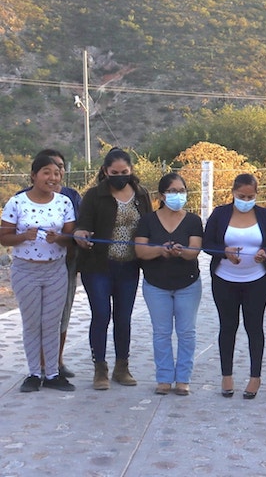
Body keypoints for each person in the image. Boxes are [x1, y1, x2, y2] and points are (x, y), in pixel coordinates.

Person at [74, 148, 153, 390]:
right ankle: (100, 368)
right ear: (105, 172)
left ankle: (122, 367)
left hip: (129, 266)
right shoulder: (94, 196)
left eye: (124, 172)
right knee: (101, 315)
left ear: (131, 171)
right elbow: (82, 225)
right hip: (98, 266)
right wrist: (80, 235)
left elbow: (149, 226)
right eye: (114, 172)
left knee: (123, 317)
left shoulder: (141, 195)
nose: (120, 176)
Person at [1, 153, 76, 392]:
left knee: (52, 323)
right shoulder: (17, 202)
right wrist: (23, 236)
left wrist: (60, 238)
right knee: (32, 323)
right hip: (25, 271)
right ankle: (34, 373)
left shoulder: (65, 202)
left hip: (55, 271)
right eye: (46, 172)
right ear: (33, 175)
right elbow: (4, 236)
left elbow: (70, 239)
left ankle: (52, 374)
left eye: (56, 173)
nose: (53, 177)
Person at [203, 173, 266, 399]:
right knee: (227, 327)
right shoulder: (220, 214)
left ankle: (255, 377)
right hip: (224, 279)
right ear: (233, 193)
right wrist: (224, 252)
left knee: (254, 327)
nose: (246, 200)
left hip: (256, 280)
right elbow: (208, 243)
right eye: (241, 196)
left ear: (257, 194)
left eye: (250, 196)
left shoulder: (265, 215)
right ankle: (226, 375)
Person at [134, 173, 203, 396]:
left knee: (186, 332)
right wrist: (160, 250)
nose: (178, 195)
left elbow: (194, 251)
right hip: (156, 284)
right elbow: (141, 251)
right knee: (161, 332)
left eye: (181, 191)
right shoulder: (147, 221)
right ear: (162, 195)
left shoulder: (193, 220)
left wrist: (181, 252)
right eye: (172, 191)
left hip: (188, 285)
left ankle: (183, 378)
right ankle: (164, 378)